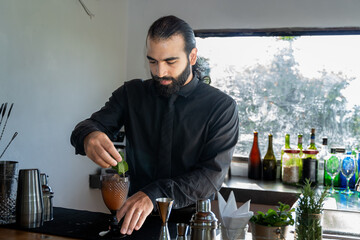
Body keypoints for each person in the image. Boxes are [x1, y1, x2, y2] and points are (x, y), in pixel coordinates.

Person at [70, 15, 239, 235]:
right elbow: (88, 126)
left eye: (170, 62)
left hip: (192, 224)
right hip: (136, 222)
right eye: (152, 61)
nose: (160, 72)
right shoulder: (131, 94)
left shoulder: (221, 107)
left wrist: (154, 193)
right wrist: (89, 136)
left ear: (193, 56)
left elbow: (210, 176)